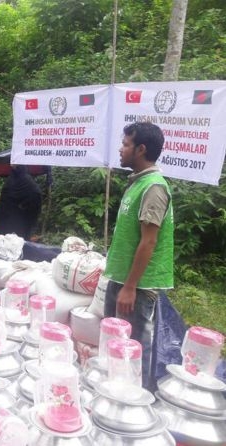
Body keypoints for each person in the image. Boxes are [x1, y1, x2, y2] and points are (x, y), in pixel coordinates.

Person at [103, 122, 173, 390]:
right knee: (113, 343)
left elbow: (149, 241)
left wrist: (130, 287)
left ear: (141, 149)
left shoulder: (154, 187)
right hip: (122, 279)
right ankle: (114, 396)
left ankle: (136, 405)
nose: (121, 149)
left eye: (126, 144)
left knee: (134, 350)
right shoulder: (137, 183)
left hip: (138, 287)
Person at [0, 165, 42, 240]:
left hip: (20, 220)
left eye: (16, 166)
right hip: (9, 220)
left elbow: (35, 196)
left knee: (17, 244)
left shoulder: (27, 182)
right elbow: (3, 201)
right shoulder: (11, 180)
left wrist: (23, 205)